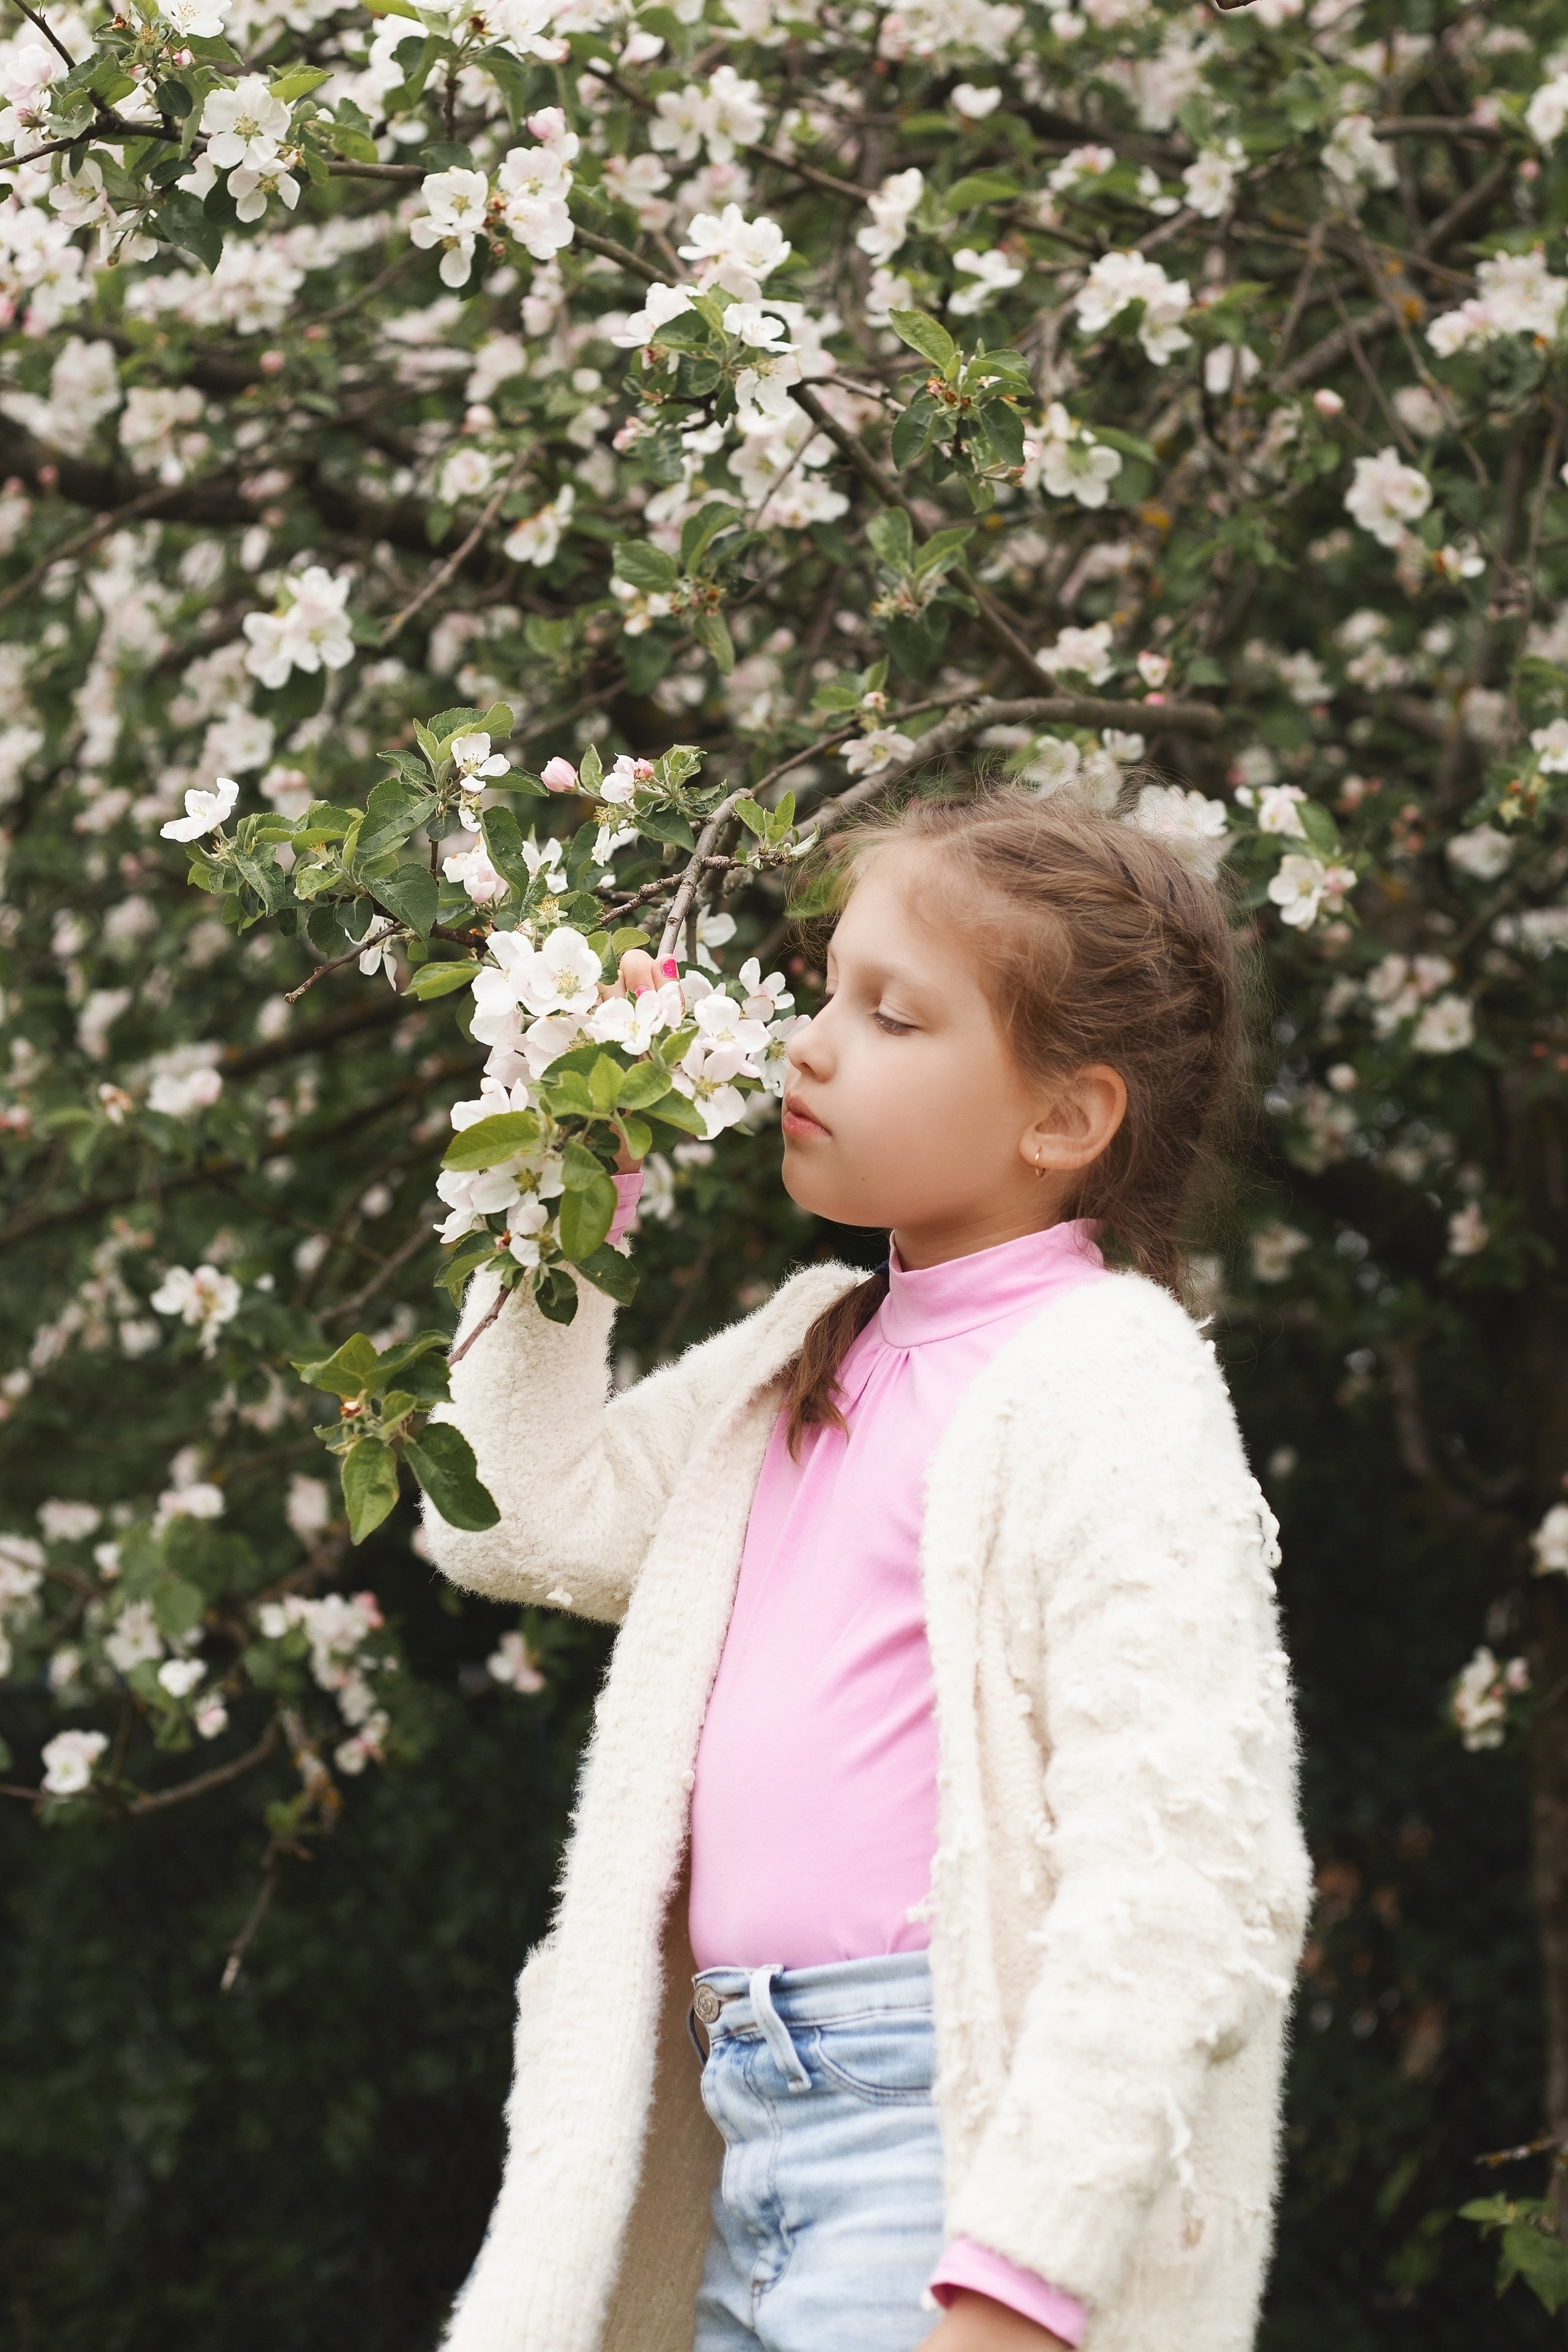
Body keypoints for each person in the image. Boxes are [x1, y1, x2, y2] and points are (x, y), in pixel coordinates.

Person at [422, 786, 1312, 2352]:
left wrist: (1019, 2280)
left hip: (940, 2148)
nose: (812, 1046)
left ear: (1063, 1120)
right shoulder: (802, 1352)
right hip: (744, 2131)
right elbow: (506, 1516)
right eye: (826, 991)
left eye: (891, 1017)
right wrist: (552, 1198)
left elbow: (1185, 1872)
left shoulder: (1106, 1378)